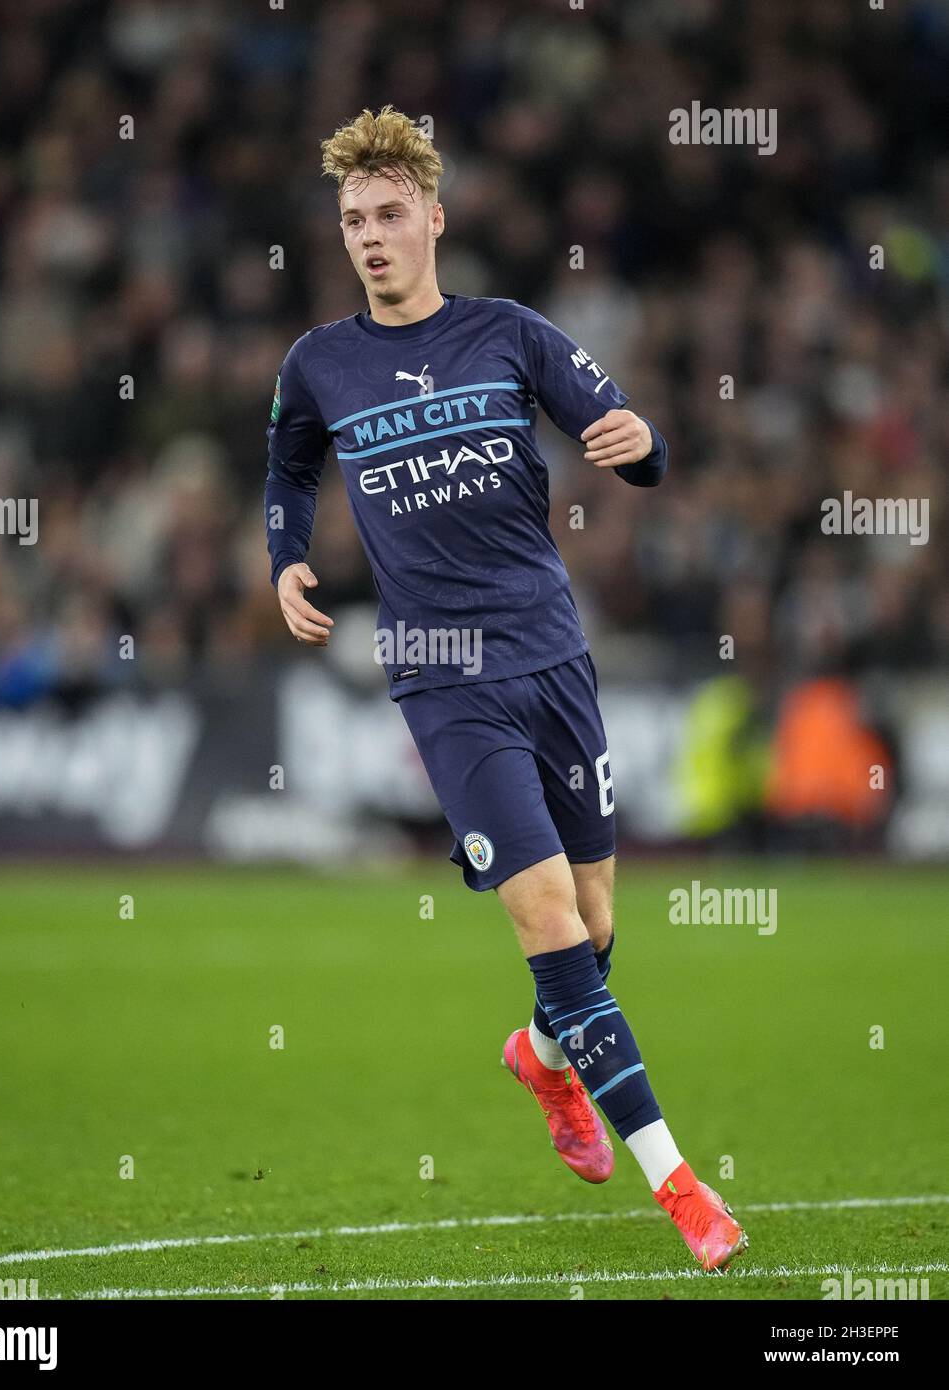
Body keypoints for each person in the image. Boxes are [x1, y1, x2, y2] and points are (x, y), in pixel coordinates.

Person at [265, 105, 746, 1272]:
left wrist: (645, 451)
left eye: (388, 215)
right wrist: (284, 551)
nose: (369, 238)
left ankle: (544, 1057)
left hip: (552, 654)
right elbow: (286, 459)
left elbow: (630, 437)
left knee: (594, 931)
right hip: (441, 676)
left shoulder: (511, 335)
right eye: (351, 222)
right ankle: (679, 1186)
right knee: (549, 929)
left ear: (434, 217)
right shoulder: (318, 361)